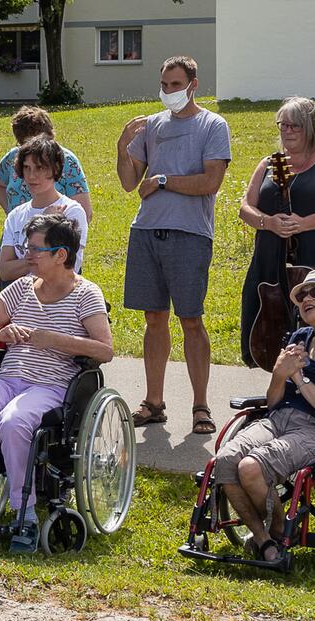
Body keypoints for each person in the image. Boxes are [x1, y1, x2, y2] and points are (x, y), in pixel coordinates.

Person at [0, 214, 112, 553]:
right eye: (27, 247)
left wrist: (56, 339)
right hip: (8, 379)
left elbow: (105, 350)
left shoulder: (86, 294)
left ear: (61, 255)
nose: (28, 255)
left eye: (36, 249)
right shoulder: (21, 288)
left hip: (51, 386)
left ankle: (25, 512)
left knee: (15, 421)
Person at [214, 269, 315, 563]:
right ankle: (265, 540)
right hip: (278, 419)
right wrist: (279, 375)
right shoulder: (300, 337)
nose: (306, 299)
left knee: (251, 468)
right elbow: (274, 401)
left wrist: (299, 379)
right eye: (302, 295)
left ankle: (278, 531)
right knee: (225, 459)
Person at [116, 55, 231, 435]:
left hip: (190, 235)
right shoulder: (152, 126)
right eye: (164, 85)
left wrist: (163, 180)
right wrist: (122, 147)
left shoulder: (213, 125)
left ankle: (200, 405)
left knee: (191, 320)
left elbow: (209, 182)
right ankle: (154, 402)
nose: (168, 92)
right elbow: (130, 182)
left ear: (193, 85)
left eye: (175, 85)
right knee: (153, 319)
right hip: (147, 231)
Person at [237, 96, 315, 368]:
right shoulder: (269, 163)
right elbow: (246, 208)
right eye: (283, 125)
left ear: (312, 128)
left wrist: (304, 223)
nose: (287, 131)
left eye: (295, 126)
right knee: (270, 330)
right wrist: (268, 222)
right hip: (271, 264)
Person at [0, 135, 88, 288]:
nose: (32, 176)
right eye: (27, 168)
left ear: (56, 169)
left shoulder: (72, 211)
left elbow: (67, 267)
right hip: (22, 302)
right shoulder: (15, 216)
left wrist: (24, 262)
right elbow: (5, 271)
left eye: (40, 168)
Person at [0, 105, 92, 221]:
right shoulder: (13, 157)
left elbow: (85, 213)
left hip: (53, 234)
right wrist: (12, 213)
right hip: (17, 233)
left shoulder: (67, 161)